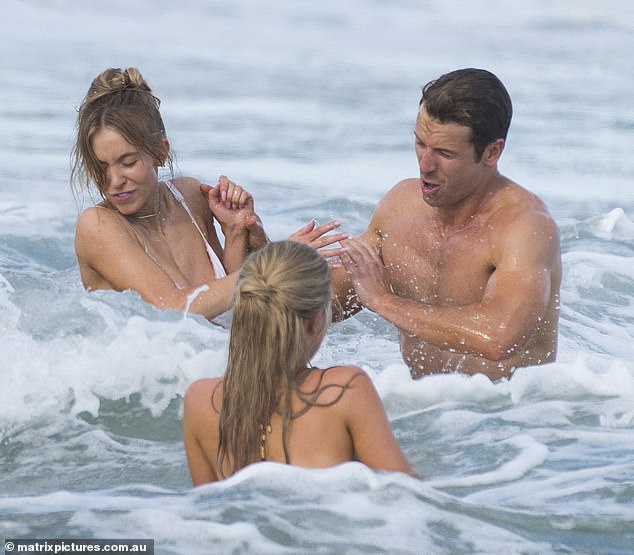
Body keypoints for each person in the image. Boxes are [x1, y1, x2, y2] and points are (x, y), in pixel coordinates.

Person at [333, 68, 562, 381]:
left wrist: (384, 302)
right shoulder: (400, 207)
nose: (425, 165)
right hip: (425, 412)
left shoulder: (524, 228)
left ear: (492, 152)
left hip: (510, 419)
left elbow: (499, 337)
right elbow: (328, 304)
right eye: (420, 144)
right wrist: (261, 256)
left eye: (444, 153)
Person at [71, 67, 346, 325]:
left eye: (127, 162)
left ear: (160, 152)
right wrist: (272, 263)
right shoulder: (98, 226)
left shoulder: (188, 196)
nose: (115, 181)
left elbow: (233, 310)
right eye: (101, 167)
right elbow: (174, 311)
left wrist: (239, 233)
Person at [183, 241, 414, 485]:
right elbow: (404, 492)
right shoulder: (345, 389)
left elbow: (209, 508)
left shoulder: (199, 400)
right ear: (314, 321)